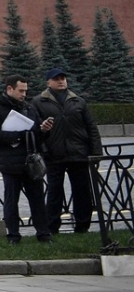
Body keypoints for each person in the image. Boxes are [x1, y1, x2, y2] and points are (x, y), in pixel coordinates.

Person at [0, 74, 52, 244]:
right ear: (9, 89)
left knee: (37, 200)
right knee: (11, 201)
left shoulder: (28, 107)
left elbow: (36, 133)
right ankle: (13, 235)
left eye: (26, 91)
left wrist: (43, 130)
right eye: (21, 91)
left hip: (31, 162)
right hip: (10, 163)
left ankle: (43, 233)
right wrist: (17, 135)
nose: (24, 94)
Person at [35, 66, 102, 235]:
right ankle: (52, 227)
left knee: (82, 191)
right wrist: (44, 149)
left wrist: (96, 152)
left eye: (63, 78)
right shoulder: (38, 102)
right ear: (48, 82)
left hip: (78, 153)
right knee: (54, 192)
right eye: (57, 79)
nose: (61, 81)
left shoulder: (78, 101)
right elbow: (35, 130)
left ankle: (82, 226)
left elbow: (91, 127)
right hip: (53, 154)